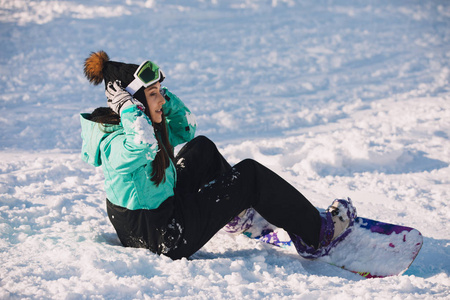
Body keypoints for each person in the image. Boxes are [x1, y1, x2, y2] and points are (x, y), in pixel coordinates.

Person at [80, 51, 357, 260]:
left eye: (159, 92)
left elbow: (186, 128)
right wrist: (130, 107)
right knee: (251, 175)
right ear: (132, 104)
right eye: (153, 95)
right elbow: (141, 144)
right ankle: (318, 235)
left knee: (202, 148)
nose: (161, 100)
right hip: (162, 236)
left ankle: (236, 215)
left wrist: (159, 95)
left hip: (163, 210)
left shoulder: (146, 125)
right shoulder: (115, 142)